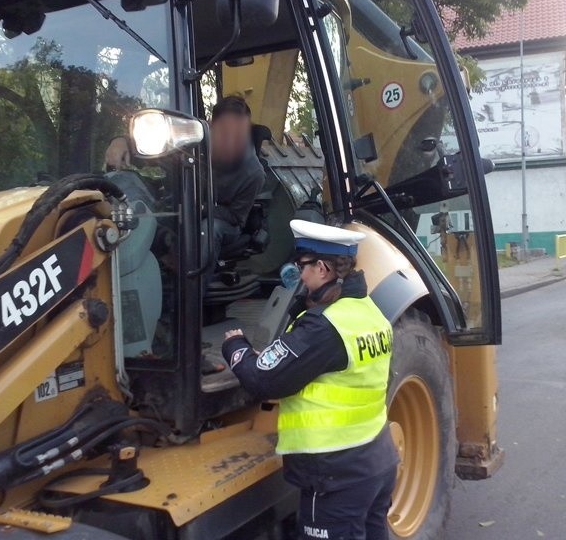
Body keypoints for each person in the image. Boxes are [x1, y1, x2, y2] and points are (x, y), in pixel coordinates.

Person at [221, 220, 398, 540]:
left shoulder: (323, 327)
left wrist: (236, 347)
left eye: (302, 266)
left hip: (335, 476)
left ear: (322, 268)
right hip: (376, 462)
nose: (298, 274)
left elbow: (263, 381)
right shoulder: (367, 310)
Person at [105, 95, 264, 264]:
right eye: (224, 132)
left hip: (221, 224)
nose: (231, 140)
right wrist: (123, 143)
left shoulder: (254, 173)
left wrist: (199, 208)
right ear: (211, 126)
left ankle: (196, 281)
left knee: (210, 229)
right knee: (129, 191)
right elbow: (152, 153)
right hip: (180, 210)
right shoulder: (190, 142)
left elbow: (236, 217)